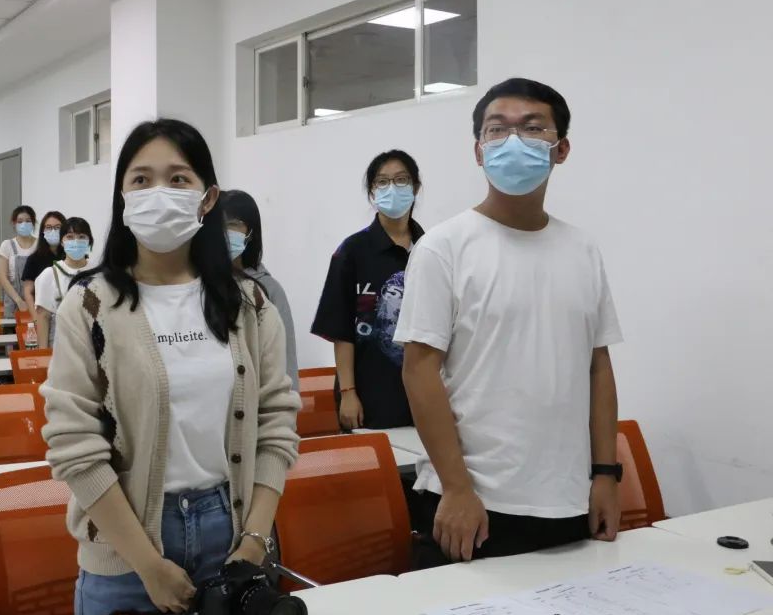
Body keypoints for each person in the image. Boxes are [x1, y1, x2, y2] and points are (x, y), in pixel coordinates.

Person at [42, 119, 300, 615]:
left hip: (232, 536)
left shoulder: (250, 304)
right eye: (141, 179)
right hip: (125, 547)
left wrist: (253, 541)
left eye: (178, 178)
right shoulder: (89, 305)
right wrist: (147, 563)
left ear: (207, 198)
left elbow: (275, 425)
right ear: (122, 197)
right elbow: (74, 445)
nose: (159, 192)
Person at [396, 78, 624, 567]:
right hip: (474, 504)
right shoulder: (443, 247)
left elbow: (598, 367)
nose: (513, 141)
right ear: (479, 151)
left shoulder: (582, 249)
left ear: (561, 149)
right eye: (497, 130)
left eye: (533, 128)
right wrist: (457, 488)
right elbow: (419, 370)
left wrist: (606, 474)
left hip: (569, 499)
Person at [310, 151, 424, 430]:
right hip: (368, 396)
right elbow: (341, 331)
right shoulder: (352, 252)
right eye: (382, 182)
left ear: (415, 187)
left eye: (401, 180)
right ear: (372, 192)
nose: (392, 188)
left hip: (423, 394)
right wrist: (348, 393)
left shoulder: (431, 249)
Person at [221, 190, 299, 390]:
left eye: (233, 224)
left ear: (251, 232)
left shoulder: (269, 290)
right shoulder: (197, 285)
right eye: (218, 224)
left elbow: (286, 362)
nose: (224, 231)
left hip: (256, 401)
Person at [33, 216, 92, 349]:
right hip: (60, 349)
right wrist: (43, 355)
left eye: (81, 237)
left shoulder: (99, 273)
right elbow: (43, 318)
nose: (75, 241)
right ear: (62, 241)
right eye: (70, 237)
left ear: (89, 241)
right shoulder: (49, 275)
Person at [0, 205, 37, 317]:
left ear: (33, 223)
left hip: (36, 300)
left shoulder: (40, 245)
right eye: (20, 221)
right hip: (13, 301)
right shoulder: (7, 245)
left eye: (28, 221)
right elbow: (2, 277)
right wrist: (18, 300)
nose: (24, 224)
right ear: (14, 223)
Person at [20, 210, 66, 314]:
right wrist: (36, 318)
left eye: (58, 227)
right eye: (48, 227)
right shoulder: (34, 259)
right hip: (43, 313)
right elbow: (28, 292)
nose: (53, 231)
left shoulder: (70, 257)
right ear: (42, 231)